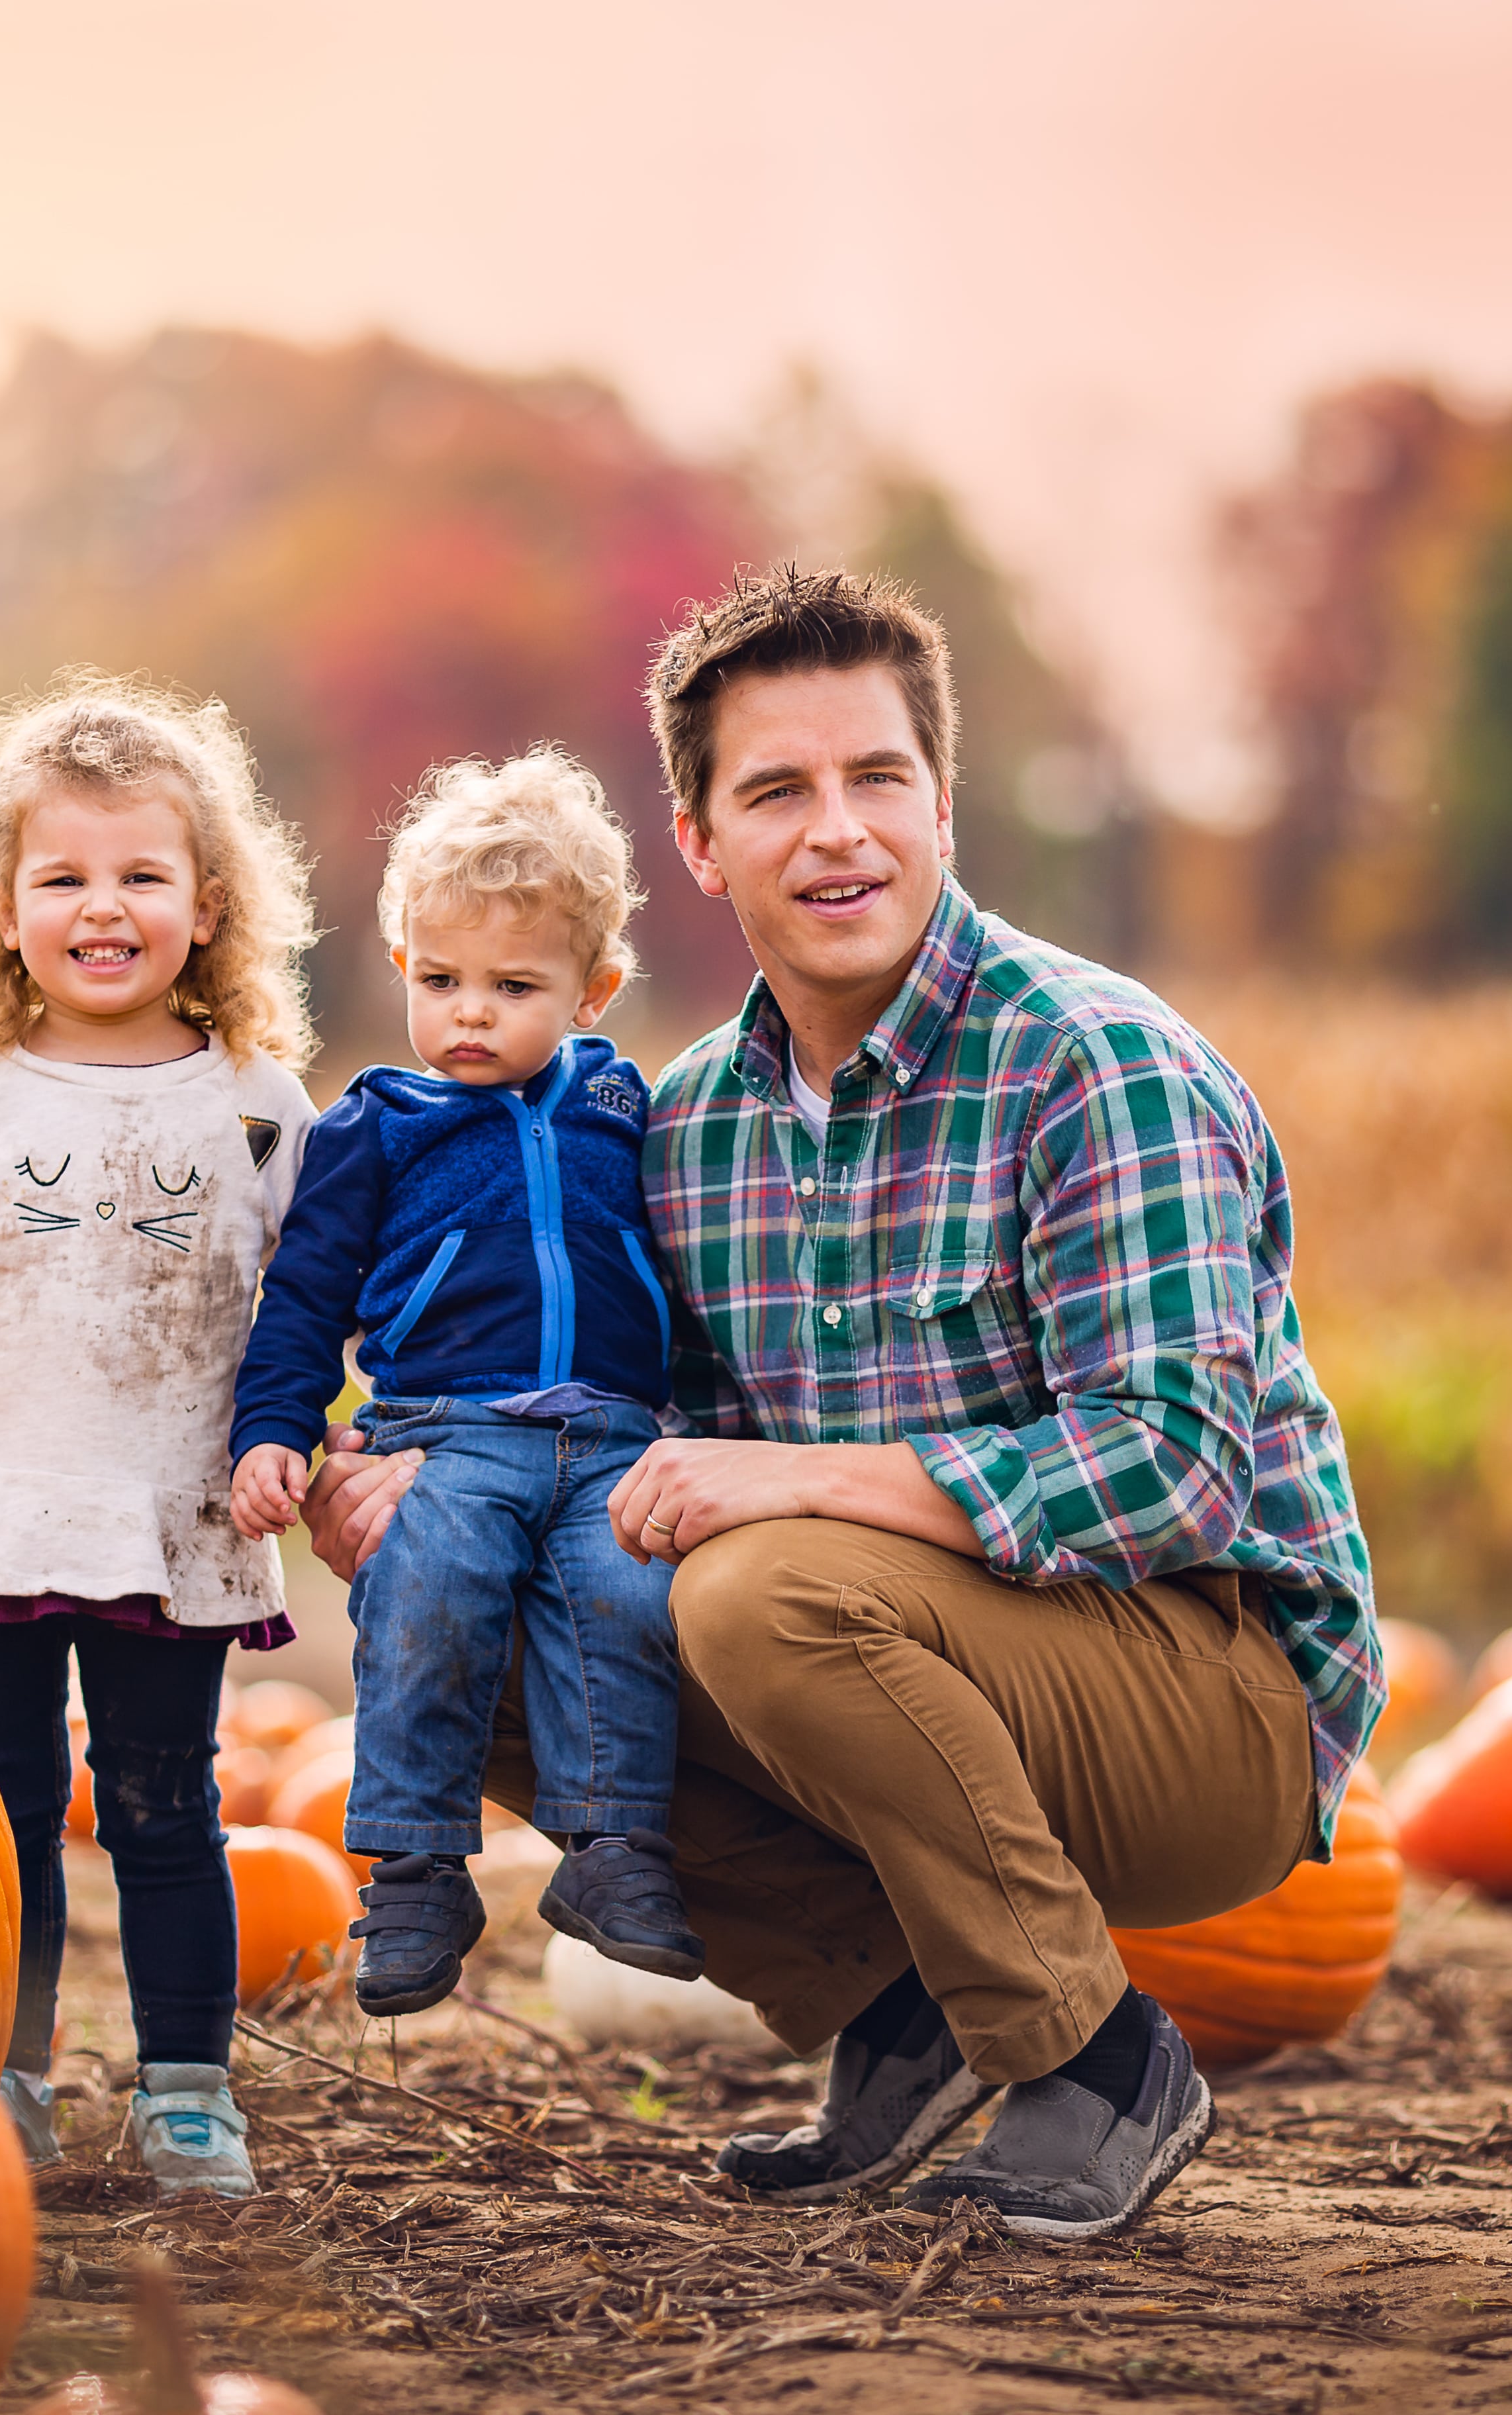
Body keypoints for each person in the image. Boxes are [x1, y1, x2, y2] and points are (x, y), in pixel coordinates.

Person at [305, 567, 1384, 2242]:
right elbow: (622, 1443)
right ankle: (898, 2010)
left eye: (877, 779)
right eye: (778, 792)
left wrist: (796, 1488)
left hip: (1205, 1692)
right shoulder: (680, 1129)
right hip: (912, 1668)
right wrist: (406, 1478)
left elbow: (1170, 1468)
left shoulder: (1097, 1066)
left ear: (942, 806)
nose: (839, 834)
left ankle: (1098, 2062)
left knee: (765, 1580)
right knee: (471, 1585)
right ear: (698, 842)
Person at [0, 672, 320, 2194]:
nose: (102, 909)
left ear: (210, 902)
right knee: (3, 1821)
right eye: (64, 878)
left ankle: (186, 2087)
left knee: (171, 1813)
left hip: (173, 1526)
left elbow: (309, 1303)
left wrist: (301, 1436)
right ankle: (11, 2074)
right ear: (3, 904)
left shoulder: (254, 1105)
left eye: (141, 876)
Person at [226, 751, 700, 2016]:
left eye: (513, 985)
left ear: (593, 989)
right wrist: (277, 1429)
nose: (470, 1015)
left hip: (608, 1436)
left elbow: (680, 1266)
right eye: (440, 982)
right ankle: (418, 1865)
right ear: (401, 969)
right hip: (447, 1433)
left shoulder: (621, 1104)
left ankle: (610, 1852)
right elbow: (305, 1298)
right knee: (429, 1592)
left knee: (623, 1598)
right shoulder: (376, 1125)